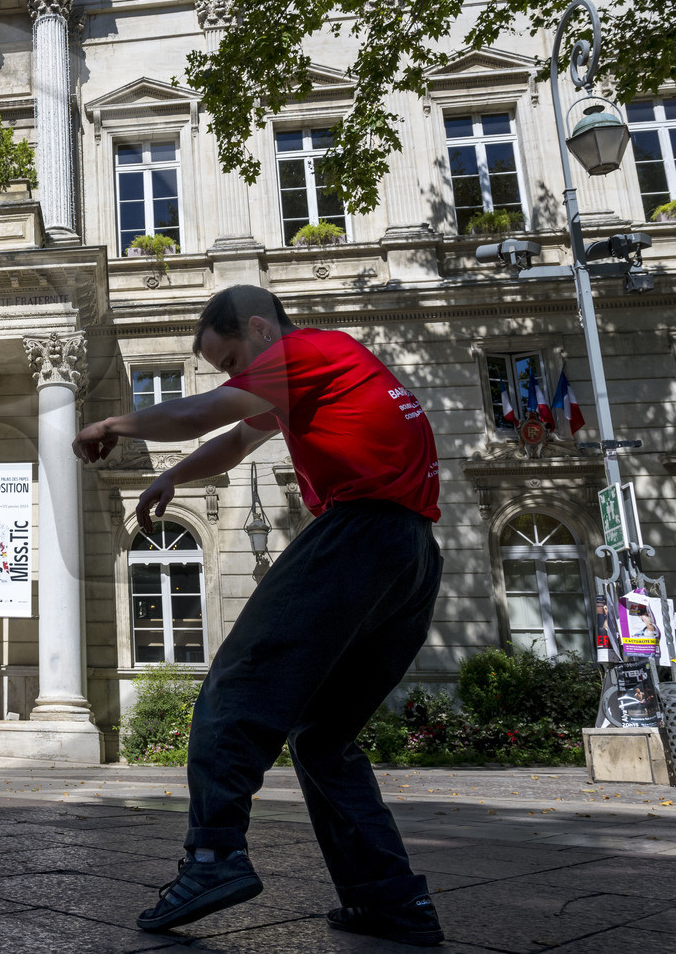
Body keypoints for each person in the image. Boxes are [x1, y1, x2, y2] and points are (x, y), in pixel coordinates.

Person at [73, 285, 445, 946]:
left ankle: (213, 855)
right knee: (323, 735)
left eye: (233, 359)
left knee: (236, 683)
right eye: (225, 369)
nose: (233, 376)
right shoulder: (328, 361)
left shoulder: (300, 350)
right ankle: (390, 899)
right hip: (411, 553)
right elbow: (236, 438)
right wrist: (174, 476)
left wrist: (114, 424)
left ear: (256, 325)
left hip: (357, 534)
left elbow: (205, 413)